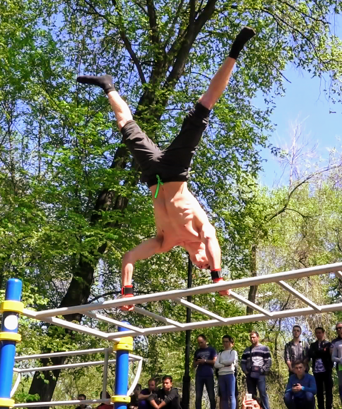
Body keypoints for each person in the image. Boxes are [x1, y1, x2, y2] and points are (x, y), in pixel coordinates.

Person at [75, 28, 258, 311]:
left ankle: (107, 85)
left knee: (126, 128)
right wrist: (217, 276)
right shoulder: (202, 229)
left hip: (151, 175)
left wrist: (127, 292)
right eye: (206, 261)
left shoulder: (165, 241)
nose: (202, 262)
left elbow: (129, 258)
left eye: (202, 266)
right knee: (202, 109)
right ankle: (236, 50)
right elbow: (211, 240)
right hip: (175, 170)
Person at [240, 331, 272, 409]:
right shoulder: (247, 350)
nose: (252, 339)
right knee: (251, 394)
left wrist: (262, 370)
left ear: (258, 337)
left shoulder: (264, 348)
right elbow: (242, 362)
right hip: (249, 375)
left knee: (263, 393)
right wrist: (245, 371)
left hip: (260, 375)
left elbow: (268, 361)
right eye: (251, 337)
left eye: (254, 337)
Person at [192, 334, 218, 409]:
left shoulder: (211, 350)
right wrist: (197, 362)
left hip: (209, 374)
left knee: (211, 395)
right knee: (198, 396)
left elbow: (215, 361)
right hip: (199, 375)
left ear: (205, 340)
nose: (200, 344)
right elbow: (193, 365)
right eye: (199, 343)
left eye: (201, 342)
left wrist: (205, 361)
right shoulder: (197, 351)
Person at [309, 327, 333, 409]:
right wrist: (321, 352)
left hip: (326, 369)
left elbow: (327, 354)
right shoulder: (313, 345)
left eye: (320, 332)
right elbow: (311, 354)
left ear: (323, 333)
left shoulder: (328, 344)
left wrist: (319, 352)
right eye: (317, 333)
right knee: (319, 390)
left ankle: (329, 408)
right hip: (316, 370)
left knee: (328, 389)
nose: (318, 334)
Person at [214, 335, 238, 409]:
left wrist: (222, 364)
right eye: (224, 341)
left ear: (231, 343)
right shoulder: (220, 353)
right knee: (223, 396)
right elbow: (216, 364)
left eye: (227, 341)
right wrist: (225, 364)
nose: (225, 343)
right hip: (221, 375)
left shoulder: (233, 352)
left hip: (230, 375)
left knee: (231, 395)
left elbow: (232, 361)